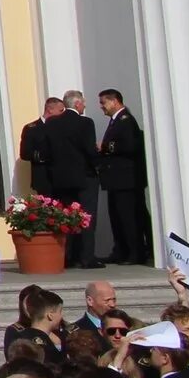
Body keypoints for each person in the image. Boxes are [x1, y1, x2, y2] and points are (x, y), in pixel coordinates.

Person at [44, 92, 103, 269]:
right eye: (83, 103)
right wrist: (99, 165)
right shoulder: (85, 122)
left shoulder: (52, 123)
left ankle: (67, 256)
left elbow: (48, 150)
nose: (84, 106)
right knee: (86, 217)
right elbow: (89, 150)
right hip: (84, 176)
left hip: (61, 178)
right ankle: (86, 257)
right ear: (77, 104)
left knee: (66, 218)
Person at [95, 89, 151, 267]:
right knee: (117, 217)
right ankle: (120, 250)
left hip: (126, 180)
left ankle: (135, 253)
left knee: (129, 217)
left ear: (114, 101)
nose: (102, 107)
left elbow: (129, 145)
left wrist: (104, 146)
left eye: (104, 102)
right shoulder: (116, 121)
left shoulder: (126, 120)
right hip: (116, 180)